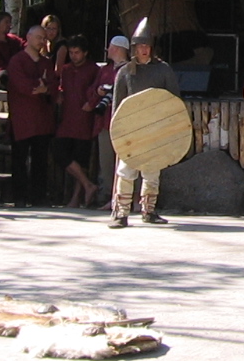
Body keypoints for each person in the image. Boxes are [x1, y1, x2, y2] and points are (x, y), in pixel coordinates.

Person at [107, 18, 182, 228]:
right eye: (140, 45)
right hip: (131, 131)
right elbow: (118, 107)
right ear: (134, 47)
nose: (144, 49)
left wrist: (168, 128)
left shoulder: (163, 70)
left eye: (147, 45)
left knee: (152, 171)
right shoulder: (125, 72)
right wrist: (118, 132)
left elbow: (173, 102)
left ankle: (149, 211)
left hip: (155, 128)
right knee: (126, 171)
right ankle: (121, 213)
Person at [5, 25, 57, 206]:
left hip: (42, 119)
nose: (41, 41)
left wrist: (46, 89)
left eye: (44, 38)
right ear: (28, 37)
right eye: (38, 37)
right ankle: (19, 197)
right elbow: (21, 85)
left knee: (40, 160)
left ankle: (38, 197)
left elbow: (53, 85)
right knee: (19, 159)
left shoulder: (46, 63)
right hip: (22, 119)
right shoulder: (17, 61)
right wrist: (39, 85)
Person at [54, 35, 100, 208]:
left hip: (84, 120)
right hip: (66, 120)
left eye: (77, 52)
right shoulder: (65, 69)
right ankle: (88, 185)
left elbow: (98, 91)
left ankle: (76, 198)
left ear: (85, 53)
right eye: (71, 52)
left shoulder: (94, 70)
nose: (74, 56)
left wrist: (91, 103)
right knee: (59, 153)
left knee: (81, 160)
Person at [93, 36, 128, 199]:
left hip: (124, 123)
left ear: (118, 49)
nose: (108, 50)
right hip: (105, 122)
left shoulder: (130, 70)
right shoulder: (105, 70)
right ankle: (108, 195)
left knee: (125, 163)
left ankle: (123, 196)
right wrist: (98, 92)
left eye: (111, 47)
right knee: (106, 161)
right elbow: (92, 90)